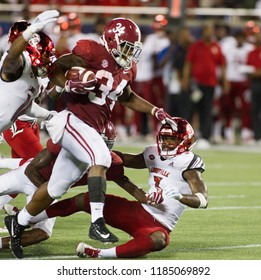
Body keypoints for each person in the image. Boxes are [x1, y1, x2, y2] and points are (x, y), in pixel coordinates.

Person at [4, 16, 177, 255]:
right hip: (73, 120)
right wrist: (67, 84)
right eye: (126, 47)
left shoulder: (127, 70)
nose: (129, 54)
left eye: (132, 50)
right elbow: (55, 68)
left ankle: (19, 221)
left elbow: (126, 96)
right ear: (111, 40)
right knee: (101, 157)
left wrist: (155, 110)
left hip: (92, 128)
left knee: (56, 188)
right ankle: (97, 223)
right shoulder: (90, 51)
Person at [30, 117, 208, 258]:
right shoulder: (153, 152)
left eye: (173, 140)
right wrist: (96, 148)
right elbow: (127, 160)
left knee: (159, 240)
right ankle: (31, 217)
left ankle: (99, 254)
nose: (167, 144)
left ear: (185, 141)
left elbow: (202, 200)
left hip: (158, 224)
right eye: (165, 138)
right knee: (84, 199)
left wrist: (180, 197)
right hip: (137, 211)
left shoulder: (189, 164)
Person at [0, 121, 119, 252]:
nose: (101, 148)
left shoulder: (107, 162)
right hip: (28, 178)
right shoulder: (67, 143)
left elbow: (125, 169)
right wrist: (43, 197)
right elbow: (31, 169)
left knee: (42, 232)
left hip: (48, 191)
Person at [0, 10, 59, 134]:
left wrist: (48, 115)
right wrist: (30, 31)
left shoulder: (31, 78)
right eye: (44, 54)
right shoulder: (17, 63)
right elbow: (12, 58)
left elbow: (23, 105)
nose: (47, 60)